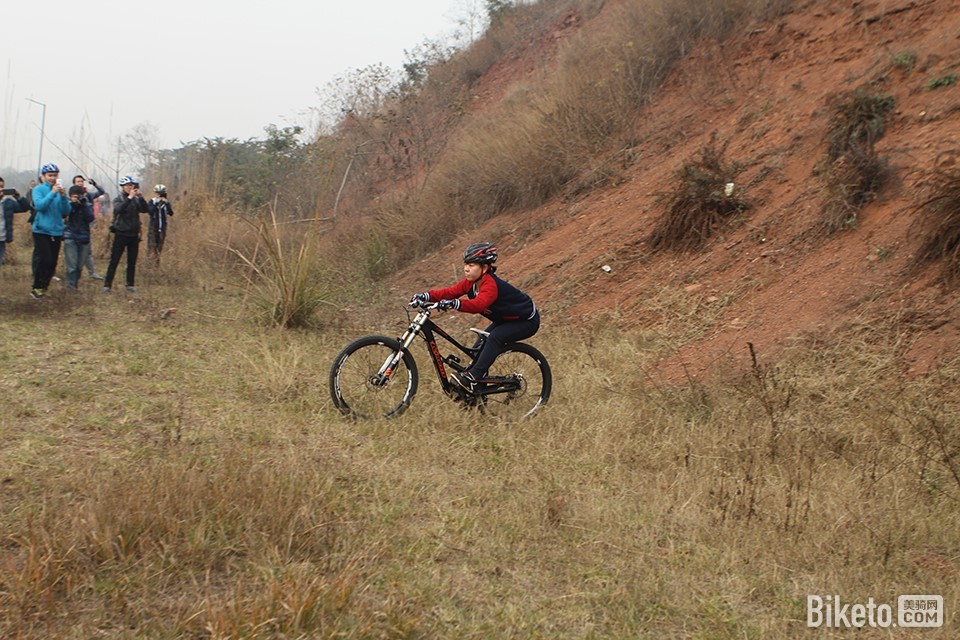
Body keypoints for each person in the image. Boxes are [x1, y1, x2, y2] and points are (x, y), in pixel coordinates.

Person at [411, 242, 540, 393]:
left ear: (484, 268)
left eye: (471, 265)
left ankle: (473, 377)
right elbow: (449, 292)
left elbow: (478, 305)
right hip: (505, 319)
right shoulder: (471, 283)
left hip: (526, 321)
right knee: (480, 345)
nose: (466, 268)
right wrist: (426, 296)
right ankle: (475, 392)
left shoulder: (490, 285)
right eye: (466, 264)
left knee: (495, 337)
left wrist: (456, 303)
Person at [30, 163, 70, 298]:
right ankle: (36, 287)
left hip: (56, 230)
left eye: (55, 175)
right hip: (41, 230)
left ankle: (44, 288)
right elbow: (40, 206)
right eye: (50, 175)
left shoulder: (60, 191)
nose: (53, 178)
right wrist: (52, 193)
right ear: (44, 176)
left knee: (52, 262)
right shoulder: (38, 189)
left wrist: (63, 197)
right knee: (45, 259)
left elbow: (66, 211)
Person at [103, 176, 148, 293]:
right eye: (127, 186)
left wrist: (141, 197)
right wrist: (129, 198)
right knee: (114, 260)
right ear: (122, 187)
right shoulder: (118, 199)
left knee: (132, 261)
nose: (130, 187)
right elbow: (119, 209)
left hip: (133, 234)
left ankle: (130, 284)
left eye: (131, 185)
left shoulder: (135, 200)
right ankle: (107, 285)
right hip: (121, 233)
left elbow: (145, 209)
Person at [72, 174, 105, 280]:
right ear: (74, 184)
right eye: (78, 182)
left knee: (87, 250)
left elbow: (101, 192)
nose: (80, 183)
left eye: (82, 181)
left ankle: (91, 273)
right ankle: (74, 274)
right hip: (73, 227)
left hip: (86, 226)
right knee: (74, 252)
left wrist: (94, 184)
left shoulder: (88, 195)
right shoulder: (71, 195)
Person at [63, 185, 96, 289]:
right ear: (70, 196)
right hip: (70, 236)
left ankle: (75, 284)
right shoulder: (67, 205)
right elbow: (64, 215)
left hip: (84, 237)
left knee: (79, 266)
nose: (77, 198)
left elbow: (90, 218)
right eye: (75, 196)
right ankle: (70, 287)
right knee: (72, 265)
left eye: (79, 196)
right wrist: (73, 204)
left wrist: (84, 205)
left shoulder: (87, 205)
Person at [0, 177, 30, 266]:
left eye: (2, 187)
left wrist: (18, 197)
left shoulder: (8, 202)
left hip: (1, 238)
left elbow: (25, 208)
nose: (0, 189)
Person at [147, 183, 174, 263]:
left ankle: (156, 263)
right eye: (158, 193)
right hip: (153, 228)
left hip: (162, 228)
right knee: (151, 246)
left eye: (161, 193)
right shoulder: (152, 201)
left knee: (159, 247)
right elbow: (150, 212)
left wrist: (166, 203)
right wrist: (156, 203)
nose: (159, 195)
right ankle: (149, 263)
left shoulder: (166, 203)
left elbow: (171, 213)